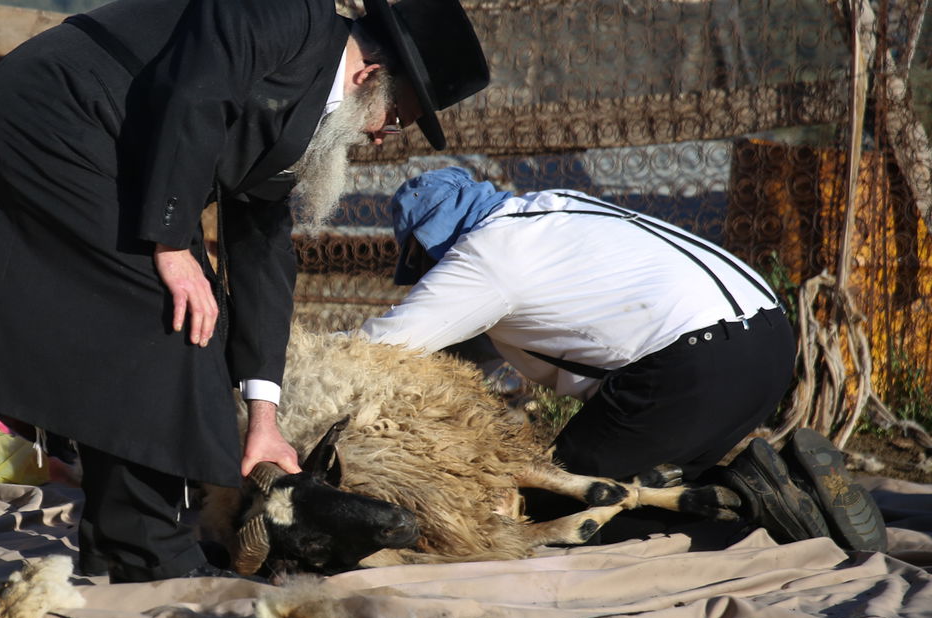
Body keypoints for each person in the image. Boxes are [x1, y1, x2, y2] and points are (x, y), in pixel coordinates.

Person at [0, 0, 490, 582]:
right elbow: (195, 92)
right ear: (371, 77)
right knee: (162, 311)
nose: (382, 136)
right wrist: (169, 245)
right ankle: (148, 549)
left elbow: (264, 255)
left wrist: (263, 418)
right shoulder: (292, 6)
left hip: (122, 160)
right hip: (55, 116)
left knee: (193, 320)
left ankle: (129, 542)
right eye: (398, 116)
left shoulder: (301, 124)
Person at [358, 166, 886, 552]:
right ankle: (787, 483)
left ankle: (750, 499)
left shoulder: (484, 257)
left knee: (558, 507)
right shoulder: (551, 207)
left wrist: (284, 373)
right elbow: (473, 339)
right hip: (767, 336)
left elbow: (379, 348)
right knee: (655, 483)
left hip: (691, 365)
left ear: (431, 247)